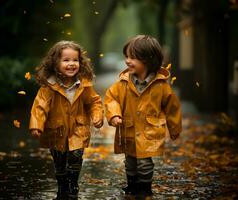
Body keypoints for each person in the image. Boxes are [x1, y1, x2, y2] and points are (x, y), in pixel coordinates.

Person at [104, 35, 182, 197]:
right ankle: (132, 185)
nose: (127, 61)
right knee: (130, 160)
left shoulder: (160, 85)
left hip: (149, 130)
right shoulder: (123, 83)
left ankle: (145, 188)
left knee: (145, 162)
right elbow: (111, 98)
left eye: (133, 57)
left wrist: (174, 127)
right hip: (129, 129)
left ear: (148, 60)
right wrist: (114, 115)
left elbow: (172, 107)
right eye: (126, 56)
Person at [29, 40, 103, 200]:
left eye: (75, 60)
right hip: (56, 130)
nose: (71, 64)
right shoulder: (49, 86)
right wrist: (37, 125)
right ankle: (62, 185)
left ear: (80, 63)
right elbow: (40, 107)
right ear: (55, 63)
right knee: (60, 161)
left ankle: (73, 185)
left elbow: (94, 102)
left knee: (76, 155)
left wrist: (97, 116)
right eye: (66, 60)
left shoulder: (84, 85)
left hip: (78, 128)